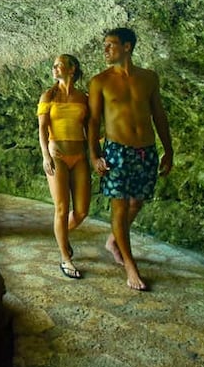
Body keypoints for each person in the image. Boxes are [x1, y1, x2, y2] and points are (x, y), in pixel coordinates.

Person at [88, 28, 173, 291]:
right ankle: (130, 264)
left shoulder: (149, 78)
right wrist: (94, 155)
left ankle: (114, 240)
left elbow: (158, 114)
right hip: (116, 152)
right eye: (104, 45)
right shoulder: (99, 81)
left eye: (111, 45)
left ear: (127, 47)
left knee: (137, 202)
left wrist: (168, 150)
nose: (105, 50)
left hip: (145, 151)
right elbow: (92, 121)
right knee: (120, 207)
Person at [37, 54, 91, 279]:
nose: (54, 69)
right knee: (61, 208)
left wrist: (96, 153)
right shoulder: (49, 95)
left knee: (81, 211)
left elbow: (91, 129)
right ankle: (65, 258)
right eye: (53, 66)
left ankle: (61, 237)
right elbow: (42, 128)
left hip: (79, 156)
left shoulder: (84, 98)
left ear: (72, 69)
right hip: (56, 155)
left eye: (58, 65)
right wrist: (45, 156)